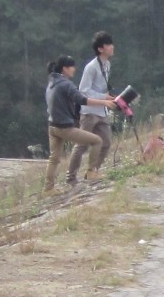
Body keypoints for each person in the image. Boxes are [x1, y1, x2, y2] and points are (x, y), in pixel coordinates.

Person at [45, 56, 118, 191]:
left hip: (52, 127)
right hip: (65, 128)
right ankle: (91, 172)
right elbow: (82, 99)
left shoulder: (51, 84)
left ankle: (48, 188)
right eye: (72, 67)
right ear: (65, 69)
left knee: (54, 159)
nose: (74, 69)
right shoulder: (66, 84)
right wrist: (104, 102)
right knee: (97, 141)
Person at [76, 31, 116, 177]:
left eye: (112, 44)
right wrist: (103, 98)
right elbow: (83, 91)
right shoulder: (91, 67)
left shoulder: (107, 64)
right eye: (108, 44)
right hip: (89, 111)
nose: (112, 47)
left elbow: (101, 86)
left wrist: (108, 98)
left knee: (106, 142)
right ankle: (71, 176)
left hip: (102, 110)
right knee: (82, 145)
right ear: (100, 49)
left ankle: (93, 171)